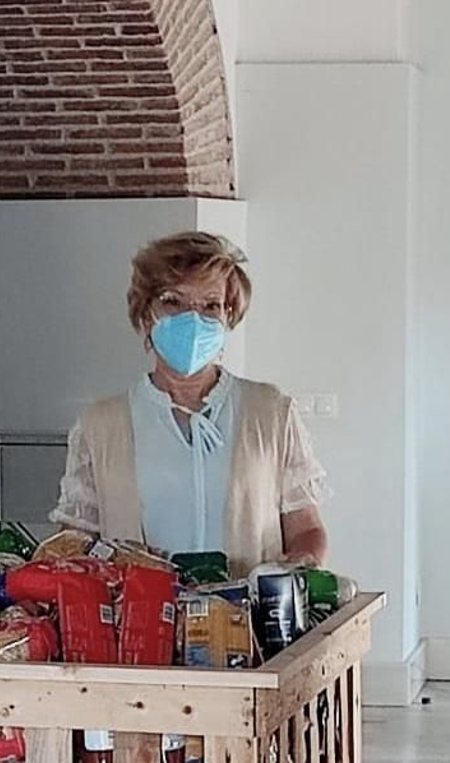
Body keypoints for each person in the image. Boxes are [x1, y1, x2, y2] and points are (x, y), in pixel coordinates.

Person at [50, 232, 328, 570]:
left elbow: (306, 528)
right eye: (173, 301)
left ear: (228, 315)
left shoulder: (270, 413)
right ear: (146, 313)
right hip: (138, 618)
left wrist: (297, 570)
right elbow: (73, 542)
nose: (193, 319)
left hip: (246, 618)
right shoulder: (101, 426)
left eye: (210, 305)